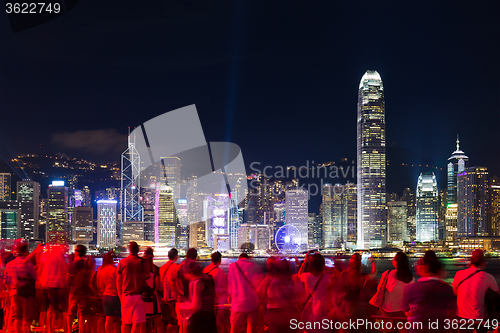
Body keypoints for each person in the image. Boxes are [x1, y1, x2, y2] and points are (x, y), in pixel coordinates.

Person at [401, 250, 456, 333]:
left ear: (426, 268)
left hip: (416, 329)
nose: (416, 266)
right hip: (439, 328)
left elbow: (404, 309)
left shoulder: (411, 288)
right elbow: (452, 310)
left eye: (419, 264)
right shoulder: (446, 288)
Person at [452, 249, 500, 333]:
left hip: (461, 315)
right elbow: (497, 295)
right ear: (483, 263)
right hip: (480, 317)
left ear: (471, 261)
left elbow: (455, 292)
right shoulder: (488, 277)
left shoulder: (459, 274)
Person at [3, 239, 37, 333]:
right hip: (26, 293)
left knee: (17, 316)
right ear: (26, 251)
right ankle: (26, 330)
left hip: (14, 292)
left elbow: (6, 281)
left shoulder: (10, 264)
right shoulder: (28, 265)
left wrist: (10, 291)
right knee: (27, 315)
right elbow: (35, 277)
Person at [376, 252, 414, 333]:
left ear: (396, 262)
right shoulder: (411, 277)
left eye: (394, 259)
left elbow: (379, 288)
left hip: (387, 309)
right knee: (403, 330)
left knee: (385, 328)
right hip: (403, 310)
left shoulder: (387, 273)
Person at [117, 241, 149, 333]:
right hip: (139, 295)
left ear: (129, 250)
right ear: (138, 250)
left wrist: (120, 295)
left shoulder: (122, 262)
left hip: (126, 295)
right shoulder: (142, 262)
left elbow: (118, 280)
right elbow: (147, 276)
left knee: (125, 322)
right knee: (137, 322)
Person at [228, 253, 263, 333]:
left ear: (239, 258)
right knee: (251, 329)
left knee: (234, 329)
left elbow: (230, 284)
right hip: (252, 303)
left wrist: (230, 297)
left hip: (237, 303)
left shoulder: (232, 266)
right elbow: (259, 285)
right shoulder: (256, 266)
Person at [38, 243, 69, 333]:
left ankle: (50, 329)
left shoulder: (47, 261)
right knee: (64, 309)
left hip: (50, 286)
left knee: (52, 309)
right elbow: (64, 273)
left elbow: (44, 274)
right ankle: (66, 329)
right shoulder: (61, 261)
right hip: (60, 286)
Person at [179, 260, 217, 333]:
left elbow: (194, 306)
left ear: (188, 272)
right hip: (211, 316)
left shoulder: (196, 282)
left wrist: (181, 307)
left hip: (200, 319)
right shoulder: (209, 278)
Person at [263, 259, 300, 333]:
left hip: (275, 312)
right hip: (291, 313)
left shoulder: (270, 280)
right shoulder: (295, 279)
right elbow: (299, 294)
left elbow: (262, 294)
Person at [298, 253, 330, 333]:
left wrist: (305, 261)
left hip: (308, 309)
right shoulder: (326, 276)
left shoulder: (307, 277)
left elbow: (299, 274)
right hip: (322, 308)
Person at [203, 251, 229, 333]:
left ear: (211, 259)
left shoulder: (205, 270)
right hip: (219, 301)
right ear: (219, 260)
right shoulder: (220, 272)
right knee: (221, 323)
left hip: (207, 301)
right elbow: (223, 287)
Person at [175, 248, 198, 333]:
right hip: (191, 301)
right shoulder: (195, 268)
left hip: (180, 300)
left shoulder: (179, 267)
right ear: (195, 257)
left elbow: (175, 282)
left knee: (182, 327)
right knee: (191, 327)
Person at [98, 251, 121, 333]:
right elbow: (118, 283)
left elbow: (100, 284)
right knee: (117, 319)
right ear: (110, 260)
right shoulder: (115, 270)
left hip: (105, 296)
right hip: (115, 295)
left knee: (108, 318)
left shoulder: (101, 270)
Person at [144, 247, 164, 333]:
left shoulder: (140, 269)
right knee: (158, 322)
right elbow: (157, 285)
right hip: (153, 298)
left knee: (143, 323)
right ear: (153, 256)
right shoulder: (155, 269)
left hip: (142, 298)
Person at [160, 248, 179, 332]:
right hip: (174, 298)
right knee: (175, 321)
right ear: (176, 256)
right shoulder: (177, 267)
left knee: (167, 320)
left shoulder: (162, 268)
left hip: (164, 298)